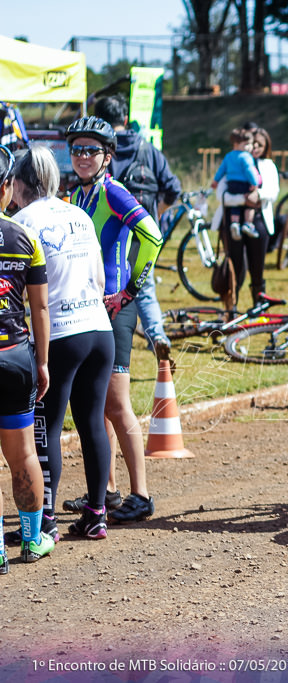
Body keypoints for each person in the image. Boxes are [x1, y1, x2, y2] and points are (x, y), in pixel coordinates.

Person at [11, 146, 115, 541]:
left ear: (19, 183)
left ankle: (47, 521)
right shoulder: (79, 214)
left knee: (47, 428)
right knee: (92, 423)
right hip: (98, 329)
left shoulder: (21, 221)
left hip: (59, 334)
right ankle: (97, 514)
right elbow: (100, 274)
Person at [65, 116, 162, 524]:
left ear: (107, 156)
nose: (83, 156)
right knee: (95, 405)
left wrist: (130, 291)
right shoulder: (77, 195)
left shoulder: (113, 192)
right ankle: (104, 490)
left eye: (91, 150)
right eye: (77, 150)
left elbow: (152, 236)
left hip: (116, 310)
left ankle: (141, 495)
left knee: (117, 405)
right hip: (89, 309)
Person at [0, 144, 54, 572]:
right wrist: (43, 362)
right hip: (17, 357)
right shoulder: (24, 237)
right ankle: (33, 540)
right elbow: (40, 308)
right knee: (23, 457)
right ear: (6, 188)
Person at [94, 95, 180, 362]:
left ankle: (113, 347)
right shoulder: (148, 149)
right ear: (126, 119)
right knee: (144, 285)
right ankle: (158, 337)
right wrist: (151, 216)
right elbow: (173, 188)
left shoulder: (101, 152)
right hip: (146, 235)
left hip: (113, 236)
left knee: (111, 285)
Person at [230, 126, 278, 306]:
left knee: (257, 266)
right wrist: (240, 199)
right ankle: (231, 307)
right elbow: (221, 192)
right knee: (236, 266)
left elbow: (273, 191)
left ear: (266, 147)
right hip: (235, 219)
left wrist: (259, 195)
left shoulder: (268, 165)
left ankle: (259, 304)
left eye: (260, 144)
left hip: (259, 220)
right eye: (253, 143)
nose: (256, 147)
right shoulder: (237, 160)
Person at [212, 127, 261, 242]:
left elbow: (221, 170)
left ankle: (234, 223)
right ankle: (248, 224)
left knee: (235, 205)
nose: (249, 147)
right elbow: (250, 170)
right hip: (243, 184)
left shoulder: (228, 156)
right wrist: (255, 184)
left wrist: (215, 181)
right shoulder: (246, 156)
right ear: (237, 144)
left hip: (231, 184)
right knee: (250, 205)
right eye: (247, 144)